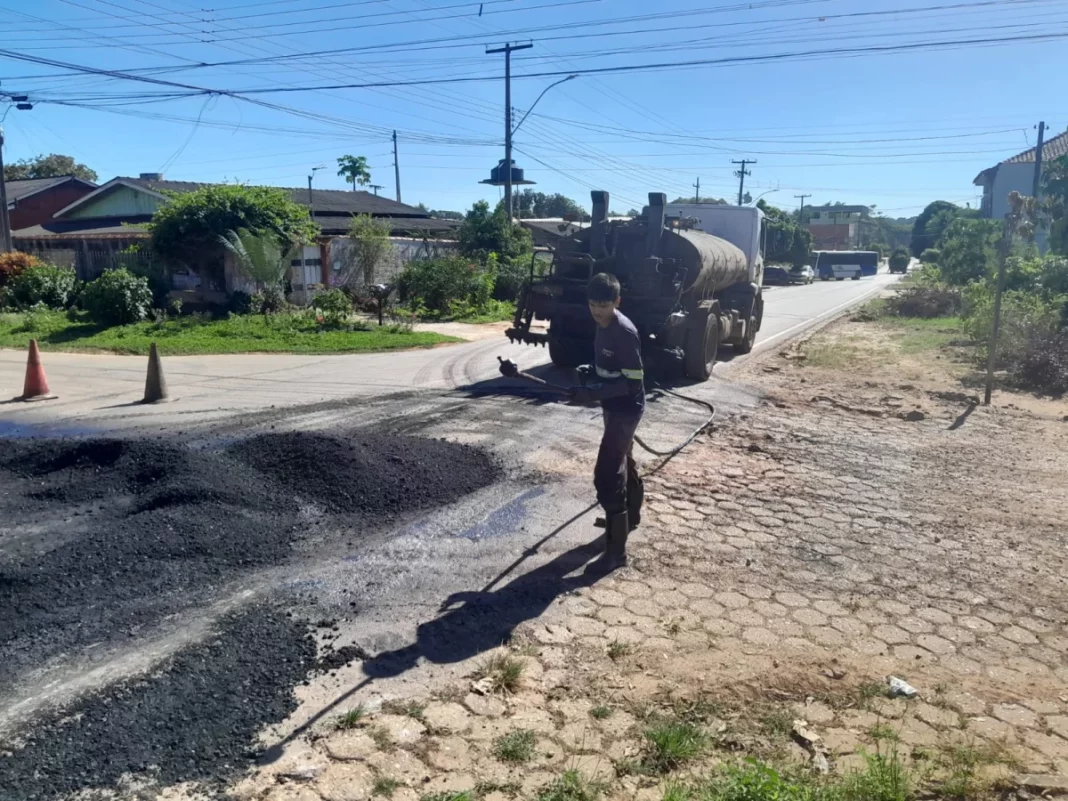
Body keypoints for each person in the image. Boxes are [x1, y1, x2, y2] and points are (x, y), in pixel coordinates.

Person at [567, 273, 645, 569]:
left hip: (626, 408)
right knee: (624, 460)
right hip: (612, 405)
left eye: (603, 305)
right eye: (592, 304)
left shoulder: (623, 332)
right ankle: (629, 518)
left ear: (617, 302)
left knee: (607, 475)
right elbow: (610, 368)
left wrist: (592, 392)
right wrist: (592, 371)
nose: (597, 311)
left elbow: (633, 383)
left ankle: (616, 554)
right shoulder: (602, 324)